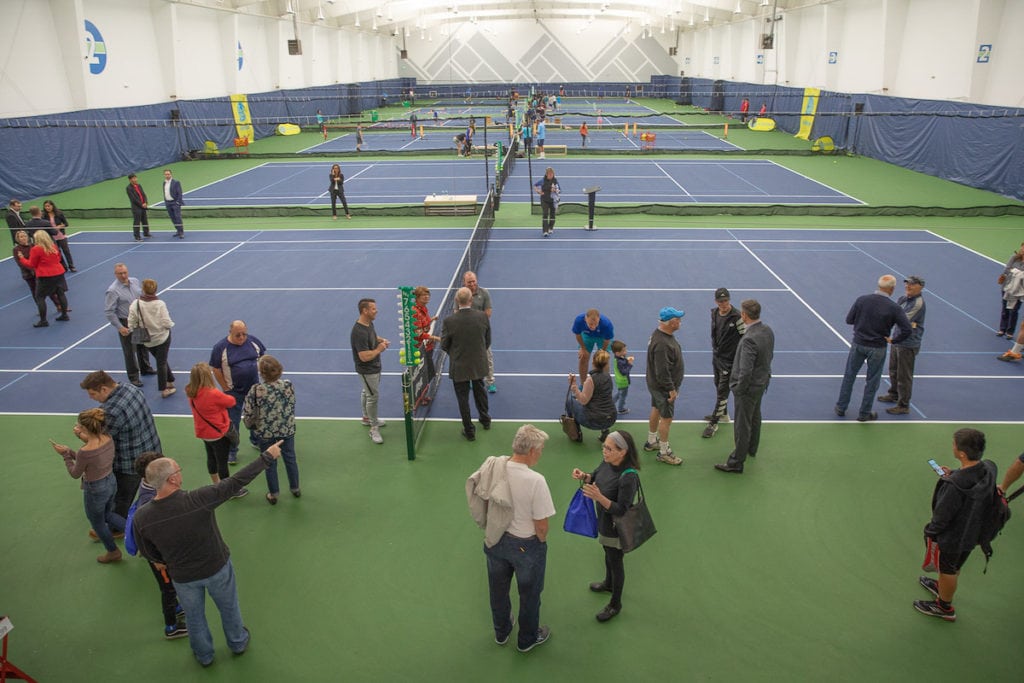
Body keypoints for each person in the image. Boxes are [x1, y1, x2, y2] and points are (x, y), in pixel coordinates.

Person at [132, 442, 283, 667]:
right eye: (178, 470)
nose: (181, 473)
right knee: (229, 607)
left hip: (183, 578)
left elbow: (147, 550)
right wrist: (267, 457)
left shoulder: (141, 517)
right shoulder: (199, 499)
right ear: (172, 479)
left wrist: (162, 561)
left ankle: (204, 655)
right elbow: (235, 482)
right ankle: (238, 642)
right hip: (216, 568)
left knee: (194, 618)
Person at [466, 424, 554, 652]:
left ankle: (502, 631)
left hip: (495, 541)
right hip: (526, 547)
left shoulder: (495, 465)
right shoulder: (537, 481)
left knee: (497, 591)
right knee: (530, 595)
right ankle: (527, 639)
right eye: (541, 449)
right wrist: (540, 544)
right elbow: (542, 526)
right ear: (533, 451)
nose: (542, 453)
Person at [913, 428, 997, 622]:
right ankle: (943, 587)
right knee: (955, 564)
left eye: (954, 445)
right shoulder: (990, 468)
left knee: (948, 568)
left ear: (961, 453)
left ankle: (944, 606)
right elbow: (971, 478)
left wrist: (930, 533)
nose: (952, 446)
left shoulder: (954, 486)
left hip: (953, 537)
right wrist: (954, 473)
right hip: (974, 532)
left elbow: (942, 517)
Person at [571, 430, 641, 622]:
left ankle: (615, 604)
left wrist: (598, 497)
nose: (605, 451)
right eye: (604, 447)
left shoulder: (629, 477)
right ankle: (608, 583)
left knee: (616, 561)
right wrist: (583, 476)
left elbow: (621, 509)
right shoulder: (607, 462)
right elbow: (594, 476)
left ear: (623, 452)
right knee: (608, 554)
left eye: (609, 449)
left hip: (615, 528)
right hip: (604, 521)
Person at [80, 369, 162, 519]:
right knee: (152, 487)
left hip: (129, 463)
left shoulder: (110, 411)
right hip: (153, 450)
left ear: (104, 389)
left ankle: (116, 528)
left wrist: (82, 434)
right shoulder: (131, 388)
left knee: (122, 498)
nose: (91, 398)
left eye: (93, 394)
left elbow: (100, 444)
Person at [124, 451, 188, 640]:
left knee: (171, 587)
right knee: (167, 589)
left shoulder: (149, 489)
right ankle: (171, 627)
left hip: (159, 554)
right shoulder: (148, 502)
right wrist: (155, 559)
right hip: (159, 557)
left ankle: (176, 606)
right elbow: (144, 534)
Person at [50, 408, 126, 564]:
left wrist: (65, 455)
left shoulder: (85, 451)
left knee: (98, 523)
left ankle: (113, 552)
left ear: (85, 428)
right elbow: (92, 461)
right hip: (111, 482)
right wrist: (71, 451)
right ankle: (137, 532)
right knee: (108, 515)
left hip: (95, 490)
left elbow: (75, 473)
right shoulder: (108, 438)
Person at [834, 274, 912, 422]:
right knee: (872, 381)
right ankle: (864, 413)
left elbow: (849, 320)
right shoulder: (894, 308)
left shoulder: (862, 300)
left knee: (849, 376)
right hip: (878, 347)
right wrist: (894, 340)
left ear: (879, 285)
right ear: (892, 289)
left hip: (858, 344)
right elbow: (907, 329)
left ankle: (841, 407)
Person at [714, 299, 775, 474]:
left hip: (747, 389)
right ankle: (752, 448)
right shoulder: (767, 331)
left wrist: (738, 388)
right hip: (761, 384)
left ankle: (736, 462)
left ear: (744, 315)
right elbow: (769, 356)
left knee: (742, 424)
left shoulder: (749, 339)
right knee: (755, 417)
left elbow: (745, 370)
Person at [242, 355, 299, 504]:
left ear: (261, 373)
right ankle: (295, 488)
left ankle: (273, 494)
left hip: (265, 432)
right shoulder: (288, 384)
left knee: (269, 462)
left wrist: (253, 426)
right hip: (287, 429)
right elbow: (292, 403)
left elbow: (247, 412)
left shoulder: (256, 390)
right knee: (290, 458)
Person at [210, 321, 267, 464]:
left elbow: (263, 357)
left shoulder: (253, 341)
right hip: (234, 393)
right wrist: (225, 388)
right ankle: (232, 451)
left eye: (244, 334)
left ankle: (255, 440)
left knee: (256, 417)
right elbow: (216, 369)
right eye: (238, 335)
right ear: (230, 332)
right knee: (233, 423)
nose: (242, 337)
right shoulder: (220, 348)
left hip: (254, 390)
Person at [441, 287, 492, 441]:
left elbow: (444, 345)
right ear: (471, 300)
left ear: (457, 301)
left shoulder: (449, 321)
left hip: (459, 366)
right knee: (480, 391)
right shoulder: (483, 317)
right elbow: (487, 341)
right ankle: (485, 420)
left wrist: (456, 355)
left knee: (462, 399)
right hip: (478, 363)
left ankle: (469, 431)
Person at [186, 363, 243, 496]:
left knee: (211, 457)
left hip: (204, 432)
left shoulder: (190, 391)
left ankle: (216, 483)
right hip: (218, 433)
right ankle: (227, 490)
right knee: (222, 462)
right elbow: (231, 401)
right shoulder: (213, 393)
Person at [877, 276, 926, 415]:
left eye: (912, 284)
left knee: (904, 375)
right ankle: (894, 394)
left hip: (908, 343)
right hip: (897, 340)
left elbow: (902, 319)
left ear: (920, 287)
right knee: (893, 369)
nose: (908, 286)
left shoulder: (918, 303)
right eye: (907, 284)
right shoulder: (903, 299)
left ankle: (903, 405)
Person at [644, 307, 686, 466]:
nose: (680, 322)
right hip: (663, 388)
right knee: (666, 418)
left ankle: (651, 441)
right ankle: (664, 452)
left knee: (655, 408)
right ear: (670, 323)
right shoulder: (662, 343)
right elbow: (662, 371)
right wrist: (671, 389)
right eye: (678, 319)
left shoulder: (659, 335)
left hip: (655, 385)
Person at [105, 263, 156, 387]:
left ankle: (145, 368)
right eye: (120, 274)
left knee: (142, 346)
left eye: (125, 273)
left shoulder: (135, 281)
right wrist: (120, 327)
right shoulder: (112, 290)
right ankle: (133, 376)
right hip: (125, 322)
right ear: (115, 274)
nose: (123, 275)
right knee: (129, 351)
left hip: (138, 319)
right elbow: (109, 311)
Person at [703, 287, 745, 438]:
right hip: (717, 358)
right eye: (720, 301)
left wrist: (739, 359)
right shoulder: (714, 313)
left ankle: (713, 423)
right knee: (717, 384)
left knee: (722, 392)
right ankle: (724, 414)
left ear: (729, 299)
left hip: (730, 362)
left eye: (726, 300)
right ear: (716, 301)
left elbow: (745, 338)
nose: (723, 304)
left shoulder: (737, 317)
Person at [127, 279, 176, 398]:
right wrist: (170, 325)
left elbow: (131, 322)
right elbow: (166, 322)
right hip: (162, 337)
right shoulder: (160, 304)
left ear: (143, 290)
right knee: (161, 362)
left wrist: (133, 328)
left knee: (161, 359)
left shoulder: (136, 304)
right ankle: (164, 389)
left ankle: (170, 380)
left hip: (146, 340)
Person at [351, 298, 389, 444]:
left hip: (375, 367)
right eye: (373, 308)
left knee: (366, 392)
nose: (376, 310)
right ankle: (373, 428)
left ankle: (366, 418)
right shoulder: (358, 332)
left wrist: (380, 340)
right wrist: (379, 349)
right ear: (365, 311)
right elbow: (363, 357)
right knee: (372, 397)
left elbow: (372, 335)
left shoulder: (368, 323)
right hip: (367, 370)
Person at [16, 230, 69, 327]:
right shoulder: (53, 246)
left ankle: (43, 321)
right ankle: (64, 315)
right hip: (59, 273)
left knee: (40, 297)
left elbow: (31, 264)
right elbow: (58, 258)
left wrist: (22, 258)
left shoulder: (36, 249)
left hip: (45, 276)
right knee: (60, 293)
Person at [566, 350, 617, 441]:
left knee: (570, 402)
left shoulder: (591, 380)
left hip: (593, 421)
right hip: (611, 418)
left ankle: (576, 434)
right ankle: (605, 433)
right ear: (606, 364)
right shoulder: (608, 377)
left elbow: (583, 401)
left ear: (593, 362)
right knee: (603, 401)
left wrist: (573, 385)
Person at [12, 230, 61, 314]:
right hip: (28, 274)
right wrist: (32, 270)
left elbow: (39, 258)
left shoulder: (33, 246)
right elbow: (20, 263)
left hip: (39, 273)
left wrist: (36, 269)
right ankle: (41, 309)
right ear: (18, 239)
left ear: (28, 237)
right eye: (21, 237)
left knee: (49, 290)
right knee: (35, 292)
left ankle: (58, 305)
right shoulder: (16, 249)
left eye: (25, 236)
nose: (23, 238)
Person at [463, 271, 496, 392]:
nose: (472, 284)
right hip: (466, 333)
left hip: (482, 332)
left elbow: (488, 313)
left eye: (473, 281)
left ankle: (490, 381)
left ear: (476, 280)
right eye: (469, 282)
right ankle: (471, 379)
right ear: (464, 282)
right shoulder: (461, 294)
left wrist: (472, 320)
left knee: (487, 357)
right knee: (469, 357)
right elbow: (457, 313)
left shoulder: (484, 293)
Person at [571, 309, 615, 383]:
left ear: (599, 319)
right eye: (591, 324)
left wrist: (602, 352)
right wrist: (583, 348)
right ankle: (583, 384)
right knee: (583, 357)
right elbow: (578, 335)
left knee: (603, 360)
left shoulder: (606, 324)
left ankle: (604, 385)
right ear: (585, 319)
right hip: (587, 335)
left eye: (596, 324)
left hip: (602, 337)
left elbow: (607, 340)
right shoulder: (579, 321)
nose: (593, 327)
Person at [411, 286, 440, 393]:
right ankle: (421, 395)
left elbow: (424, 324)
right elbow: (419, 333)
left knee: (430, 372)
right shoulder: (415, 312)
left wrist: (431, 319)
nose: (427, 297)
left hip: (427, 345)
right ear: (417, 298)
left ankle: (424, 391)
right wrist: (435, 338)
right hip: (419, 348)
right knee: (424, 373)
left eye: (428, 295)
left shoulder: (423, 308)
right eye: (424, 295)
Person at [996, 242, 1024, 337]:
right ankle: (1002, 329)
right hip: (1007, 286)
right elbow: (1007, 270)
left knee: (1014, 310)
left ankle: (1010, 332)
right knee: (1005, 309)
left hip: (1019, 291)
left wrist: (1015, 272)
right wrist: (1018, 273)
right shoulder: (1014, 258)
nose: (1023, 250)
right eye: (1022, 247)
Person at [41, 200, 75, 272]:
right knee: (57, 252)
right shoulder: (43, 216)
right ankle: (63, 267)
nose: (47, 207)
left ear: (52, 206)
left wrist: (60, 226)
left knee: (66, 251)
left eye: (49, 206)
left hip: (61, 235)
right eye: (46, 206)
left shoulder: (59, 213)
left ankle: (71, 266)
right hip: (51, 237)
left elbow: (66, 224)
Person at [534, 167, 559, 237]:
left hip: (553, 200)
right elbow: (535, 185)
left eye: (552, 174)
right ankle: (545, 231)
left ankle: (551, 227)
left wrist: (555, 190)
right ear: (546, 174)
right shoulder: (542, 181)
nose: (551, 176)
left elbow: (559, 190)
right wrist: (538, 191)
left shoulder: (555, 181)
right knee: (545, 214)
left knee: (552, 214)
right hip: (544, 199)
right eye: (550, 174)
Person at [610, 340, 634, 414]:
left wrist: (626, 360)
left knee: (619, 393)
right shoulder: (619, 362)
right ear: (617, 353)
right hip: (623, 381)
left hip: (620, 381)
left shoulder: (617, 358)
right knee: (623, 396)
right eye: (623, 351)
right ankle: (621, 409)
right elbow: (624, 372)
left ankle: (610, 404)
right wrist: (629, 364)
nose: (625, 352)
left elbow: (623, 360)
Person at [127, 174, 151, 241]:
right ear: (130, 180)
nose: (135, 179)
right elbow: (133, 199)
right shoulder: (128, 188)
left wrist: (145, 202)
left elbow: (143, 194)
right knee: (137, 222)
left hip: (143, 206)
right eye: (133, 178)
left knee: (144, 220)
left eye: (135, 178)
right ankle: (137, 236)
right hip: (136, 208)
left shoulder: (139, 185)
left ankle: (146, 233)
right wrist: (141, 204)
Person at [162, 169, 185, 238]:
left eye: (168, 174)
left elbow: (179, 193)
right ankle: (178, 231)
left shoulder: (176, 182)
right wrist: (166, 201)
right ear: (164, 175)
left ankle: (181, 232)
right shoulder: (164, 183)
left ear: (171, 174)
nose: (167, 175)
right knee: (173, 218)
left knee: (178, 218)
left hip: (175, 203)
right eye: (166, 174)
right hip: (168, 203)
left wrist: (178, 202)